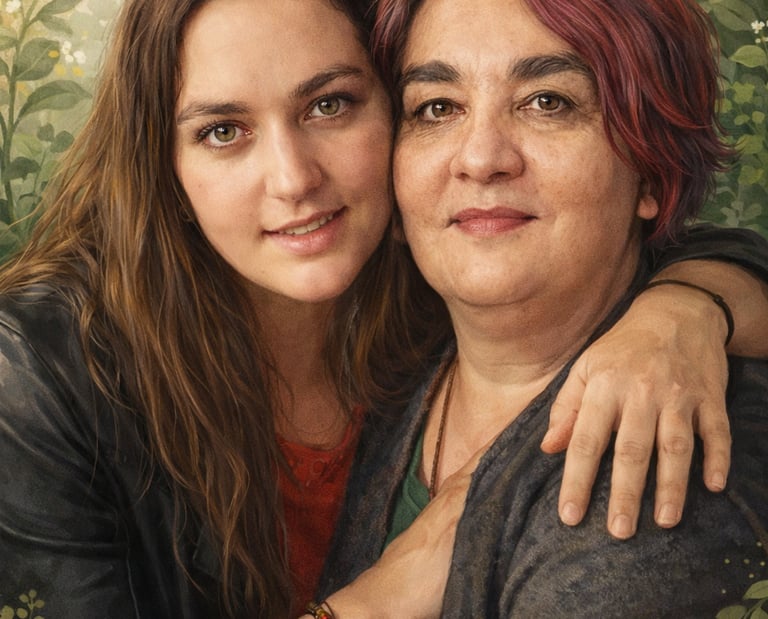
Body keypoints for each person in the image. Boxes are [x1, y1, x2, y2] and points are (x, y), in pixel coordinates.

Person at [0, 0, 767, 617]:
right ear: (160, 162)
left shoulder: (653, 453)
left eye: (547, 101)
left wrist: (690, 306)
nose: (294, 178)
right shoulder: (43, 373)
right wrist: (379, 599)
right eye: (438, 108)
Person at [317, 0, 768, 616]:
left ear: (652, 172)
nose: (480, 158)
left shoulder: (652, 493)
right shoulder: (385, 359)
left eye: (547, 101)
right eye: (438, 107)